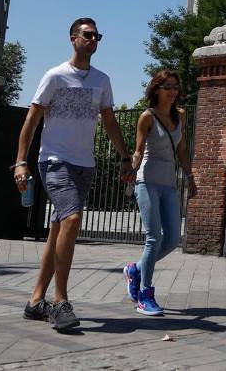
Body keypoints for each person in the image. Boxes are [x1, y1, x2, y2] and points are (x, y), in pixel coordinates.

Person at [14, 18, 134, 331]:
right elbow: (31, 121)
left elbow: (109, 122)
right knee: (72, 219)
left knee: (58, 230)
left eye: (97, 36)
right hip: (54, 161)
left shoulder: (102, 80)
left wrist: (124, 157)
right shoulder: (55, 76)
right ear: (73, 38)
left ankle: (34, 301)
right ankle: (60, 301)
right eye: (87, 35)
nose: (93, 40)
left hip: (85, 165)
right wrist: (20, 162)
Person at [123, 70, 197, 316]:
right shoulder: (147, 117)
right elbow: (138, 151)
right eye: (168, 87)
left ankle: (135, 270)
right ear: (156, 89)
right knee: (153, 237)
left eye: (176, 87)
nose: (173, 91)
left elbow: (182, 150)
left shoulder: (181, 116)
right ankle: (145, 295)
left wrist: (190, 177)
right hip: (147, 181)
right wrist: (131, 169)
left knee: (174, 238)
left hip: (169, 184)